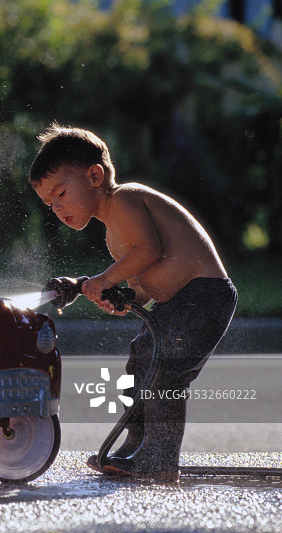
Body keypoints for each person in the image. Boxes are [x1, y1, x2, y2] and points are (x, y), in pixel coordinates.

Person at [29, 123, 237, 481]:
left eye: (61, 193)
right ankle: (137, 445)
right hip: (176, 303)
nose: (57, 207)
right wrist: (122, 296)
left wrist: (106, 280)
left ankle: (159, 455)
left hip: (204, 295)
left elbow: (150, 250)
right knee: (141, 365)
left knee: (165, 372)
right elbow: (141, 281)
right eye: (50, 203)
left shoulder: (125, 198)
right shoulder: (112, 235)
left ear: (95, 175)